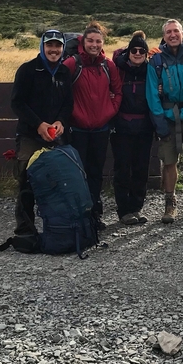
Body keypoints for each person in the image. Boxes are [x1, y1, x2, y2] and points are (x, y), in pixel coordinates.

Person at [9, 28, 73, 236]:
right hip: (30, 135)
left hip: (56, 135)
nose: (54, 50)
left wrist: (61, 121)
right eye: (50, 45)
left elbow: (68, 103)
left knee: (57, 182)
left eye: (58, 46)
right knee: (27, 182)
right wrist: (38, 124)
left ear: (63, 48)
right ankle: (25, 228)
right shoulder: (27, 70)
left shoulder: (64, 72)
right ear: (42, 46)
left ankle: (55, 227)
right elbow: (17, 103)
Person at [146, 19, 183, 224]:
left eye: (176, 31)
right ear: (164, 36)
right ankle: (170, 203)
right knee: (169, 161)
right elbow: (152, 94)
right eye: (169, 32)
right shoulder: (155, 61)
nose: (173, 35)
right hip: (168, 116)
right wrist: (159, 123)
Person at [62, 22, 122, 226]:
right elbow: (60, 92)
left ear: (103, 43)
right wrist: (71, 114)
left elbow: (118, 90)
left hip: (101, 129)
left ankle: (95, 212)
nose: (94, 45)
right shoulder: (73, 63)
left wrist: (110, 110)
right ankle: (79, 213)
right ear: (83, 41)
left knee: (96, 171)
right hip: (77, 128)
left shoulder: (108, 65)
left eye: (98, 41)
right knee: (79, 171)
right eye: (90, 41)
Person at [111, 31, 154, 226]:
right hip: (122, 126)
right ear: (128, 51)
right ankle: (124, 210)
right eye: (134, 50)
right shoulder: (118, 69)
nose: (137, 53)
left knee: (141, 168)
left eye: (141, 50)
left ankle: (136, 208)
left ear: (146, 53)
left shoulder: (151, 70)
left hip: (145, 126)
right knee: (122, 168)